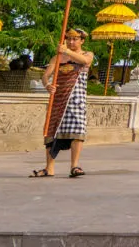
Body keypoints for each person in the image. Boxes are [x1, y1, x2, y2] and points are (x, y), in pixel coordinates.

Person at [31, 28, 95, 178]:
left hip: (76, 99)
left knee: (77, 132)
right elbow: (46, 76)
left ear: (82, 41)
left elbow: (85, 61)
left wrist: (67, 51)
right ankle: (49, 168)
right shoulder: (57, 58)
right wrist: (48, 85)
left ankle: (74, 166)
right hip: (58, 98)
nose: (71, 42)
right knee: (51, 132)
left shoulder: (87, 55)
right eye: (69, 39)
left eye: (75, 39)